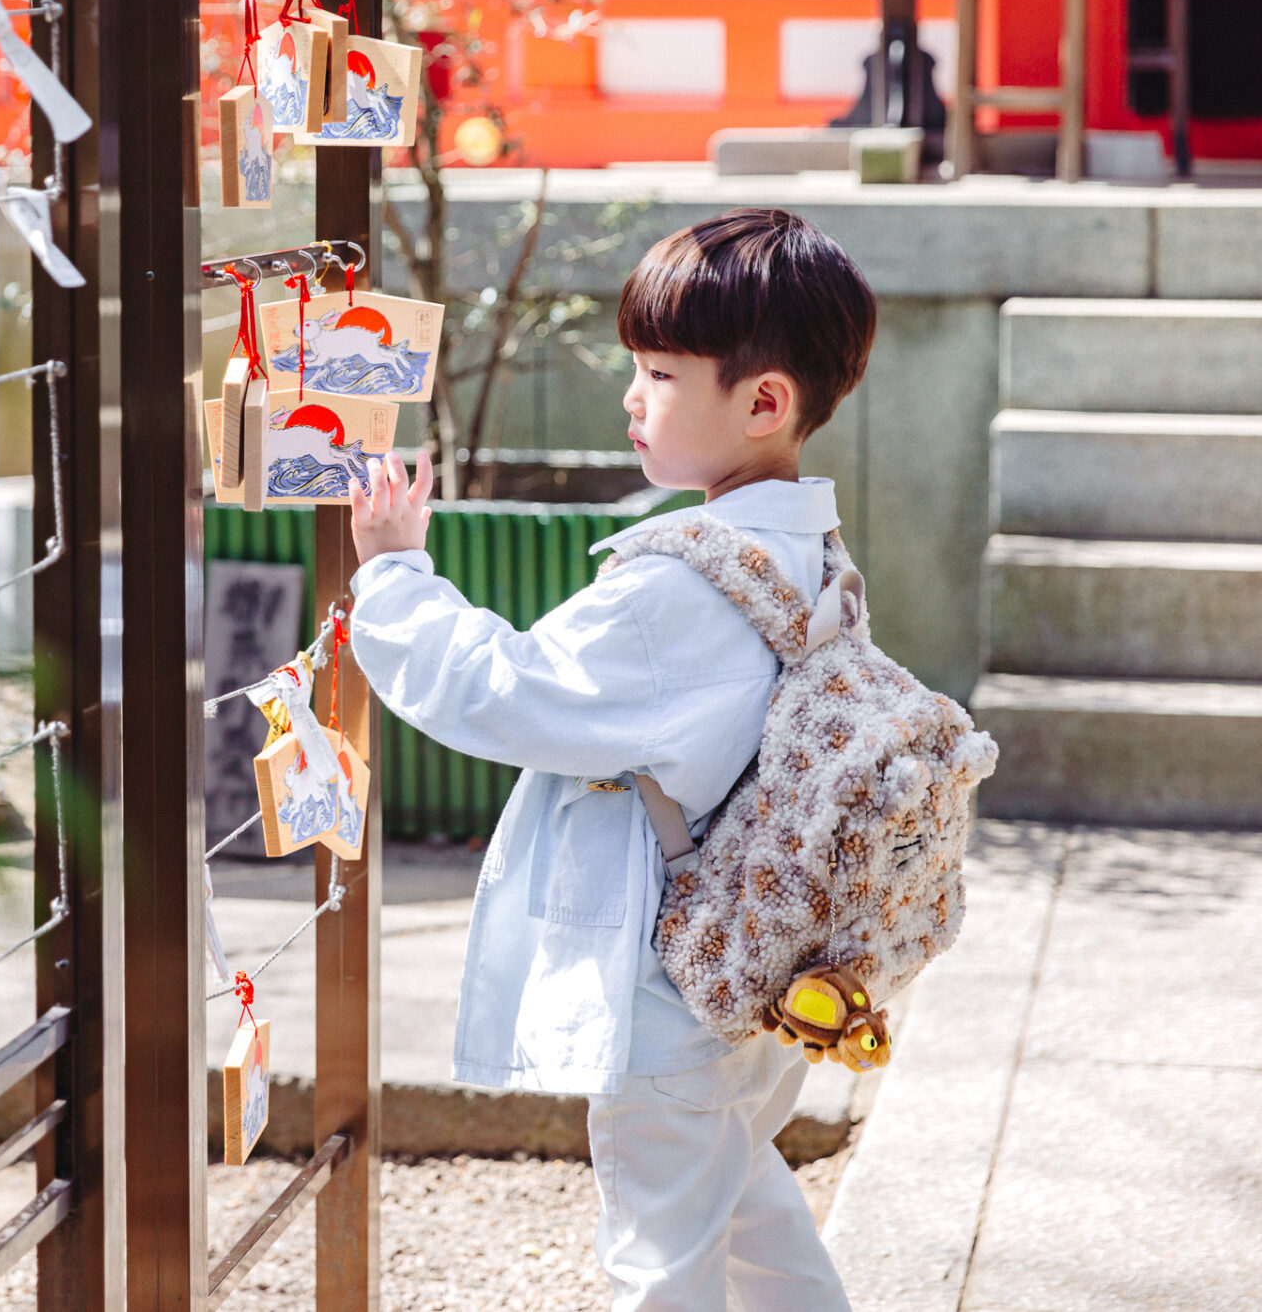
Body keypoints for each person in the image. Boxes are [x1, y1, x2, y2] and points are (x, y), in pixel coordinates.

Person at [346, 207, 876, 1312]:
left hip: (668, 981)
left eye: (658, 372)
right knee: (739, 1210)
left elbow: (508, 694)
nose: (631, 397)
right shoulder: (808, 552)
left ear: (763, 401)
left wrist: (394, 575)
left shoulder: (679, 589)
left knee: (661, 1257)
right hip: (760, 958)